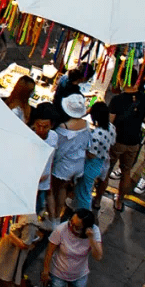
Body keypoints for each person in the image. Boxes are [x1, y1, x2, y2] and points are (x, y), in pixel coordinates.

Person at [107, 78, 145, 211]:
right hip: (134, 141)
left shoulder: (117, 100)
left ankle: (97, 199)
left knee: (107, 169)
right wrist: (140, 118)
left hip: (117, 140)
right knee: (126, 172)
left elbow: (109, 123)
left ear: (122, 79)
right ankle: (119, 201)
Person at [51, 94, 89, 223]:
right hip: (78, 163)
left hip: (64, 166)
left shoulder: (64, 128)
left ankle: (55, 217)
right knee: (65, 188)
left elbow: (59, 150)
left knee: (58, 190)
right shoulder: (85, 124)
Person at [40, 209, 102, 287]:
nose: (71, 227)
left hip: (79, 275)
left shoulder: (94, 232)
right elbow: (49, 252)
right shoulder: (61, 229)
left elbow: (98, 256)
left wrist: (91, 239)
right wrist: (45, 271)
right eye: (71, 221)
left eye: (76, 227)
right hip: (58, 274)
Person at [73, 101, 114, 211]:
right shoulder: (111, 127)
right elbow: (112, 143)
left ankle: (84, 214)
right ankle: (77, 207)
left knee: (84, 193)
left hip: (92, 165)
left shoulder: (96, 134)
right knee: (85, 189)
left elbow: (91, 154)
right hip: (103, 162)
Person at [0, 213, 41, 287]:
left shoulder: (30, 219)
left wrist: (7, 232)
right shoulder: (15, 212)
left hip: (11, 260)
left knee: (5, 282)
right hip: (3, 254)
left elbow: (25, 245)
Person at [31, 102, 60, 218]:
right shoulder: (29, 137)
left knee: (36, 211)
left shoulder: (54, 137)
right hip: (29, 184)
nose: (41, 129)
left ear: (52, 125)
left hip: (42, 184)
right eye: (39, 125)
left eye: (45, 126)